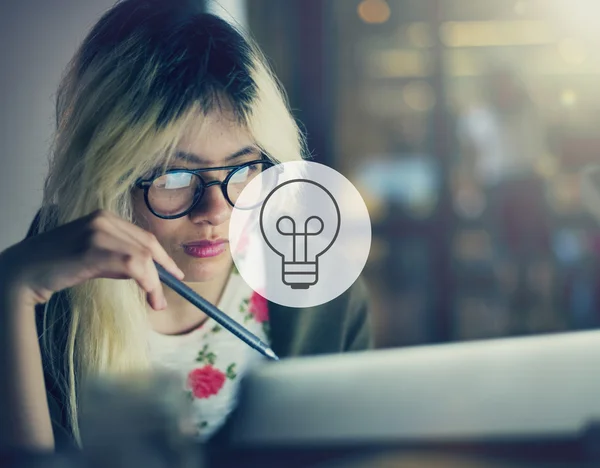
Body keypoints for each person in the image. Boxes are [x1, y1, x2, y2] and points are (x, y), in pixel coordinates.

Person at [0, 0, 372, 453]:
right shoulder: (45, 291)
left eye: (241, 170)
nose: (215, 211)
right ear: (107, 176)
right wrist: (11, 289)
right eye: (174, 176)